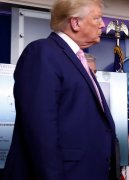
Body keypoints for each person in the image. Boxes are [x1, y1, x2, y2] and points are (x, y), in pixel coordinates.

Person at [3, 0, 119, 179]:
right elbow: (40, 131)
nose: (102, 24)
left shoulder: (79, 61)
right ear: (75, 22)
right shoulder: (42, 52)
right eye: (97, 18)